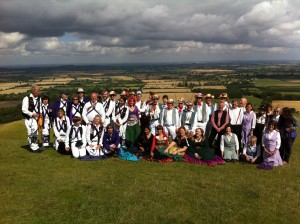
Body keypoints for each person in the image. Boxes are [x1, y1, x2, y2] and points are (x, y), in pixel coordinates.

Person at [22, 85, 42, 152]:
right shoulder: (26, 98)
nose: (39, 92)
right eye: (37, 90)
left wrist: (40, 114)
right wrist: (32, 114)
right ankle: (33, 147)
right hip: (29, 118)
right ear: (33, 91)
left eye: (39, 90)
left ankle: (35, 146)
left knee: (35, 132)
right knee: (30, 132)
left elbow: (40, 108)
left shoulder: (39, 98)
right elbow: (24, 110)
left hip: (36, 118)